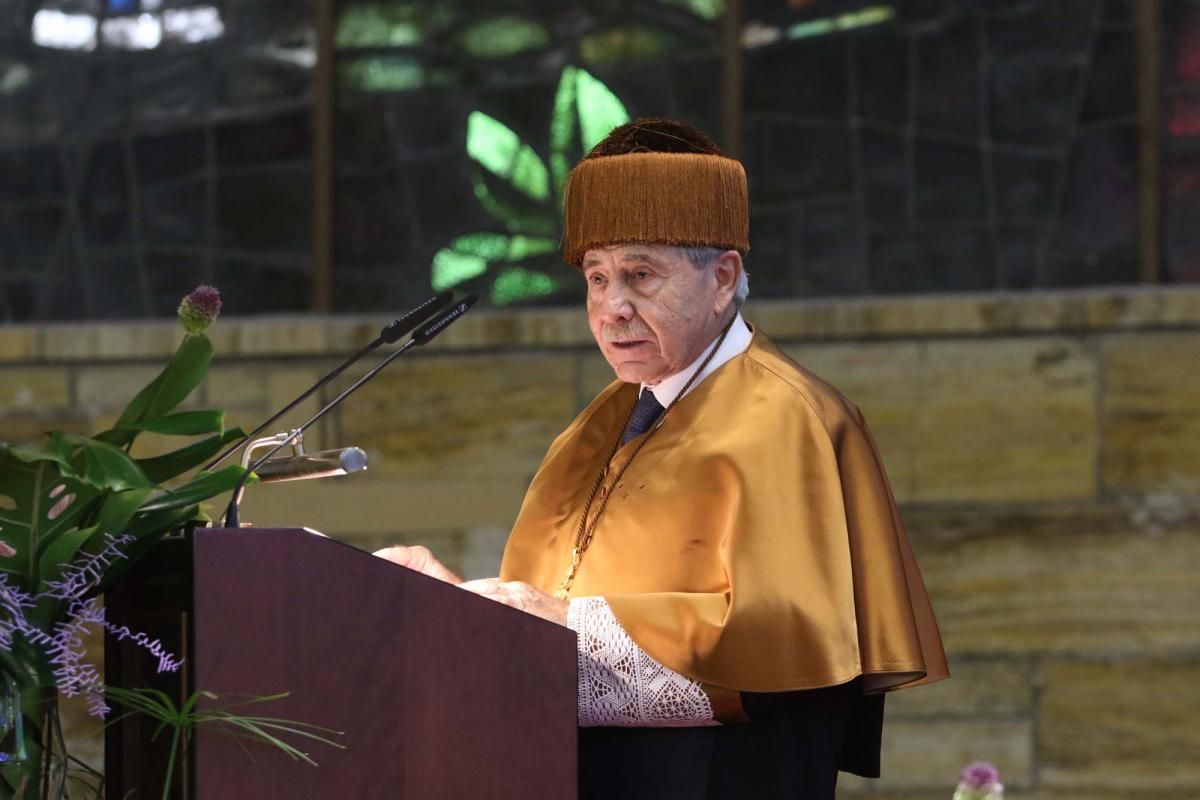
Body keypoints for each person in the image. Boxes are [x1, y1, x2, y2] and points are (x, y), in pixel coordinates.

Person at [375, 118, 948, 799]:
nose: (611, 308)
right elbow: (546, 607)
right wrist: (458, 607)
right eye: (596, 277)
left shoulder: (787, 416)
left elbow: (783, 639)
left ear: (722, 278)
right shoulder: (603, 421)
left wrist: (565, 630)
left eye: (640, 275)